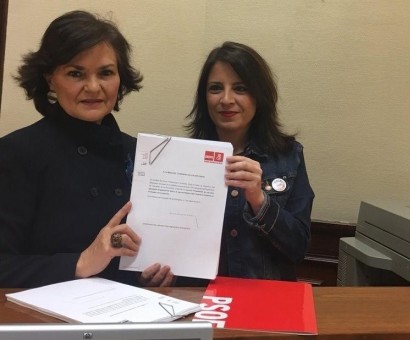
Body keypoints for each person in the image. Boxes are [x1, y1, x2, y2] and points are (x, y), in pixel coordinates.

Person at [0, 10, 173, 288]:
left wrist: (146, 274)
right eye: (75, 73)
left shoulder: (142, 154)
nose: (93, 87)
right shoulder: (16, 153)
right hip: (46, 323)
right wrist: (80, 263)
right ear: (50, 80)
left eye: (105, 73)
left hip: (127, 317)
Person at [183, 41, 315, 282]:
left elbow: (298, 248)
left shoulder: (288, 157)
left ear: (259, 95)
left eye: (240, 88)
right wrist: (162, 272)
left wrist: (259, 201)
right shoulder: (185, 158)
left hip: (266, 305)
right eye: (215, 88)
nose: (226, 99)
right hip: (203, 300)